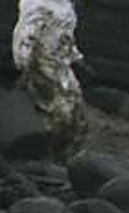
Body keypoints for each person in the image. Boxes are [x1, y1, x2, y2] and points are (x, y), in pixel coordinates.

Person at [11, 0, 86, 144]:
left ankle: (69, 140)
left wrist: (76, 57)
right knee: (54, 105)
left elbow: (66, 36)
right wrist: (24, 62)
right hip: (41, 63)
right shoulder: (38, 4)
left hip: (60, 62)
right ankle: (51, 141)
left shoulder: (65, 7)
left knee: (73, 101)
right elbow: (27, 34)